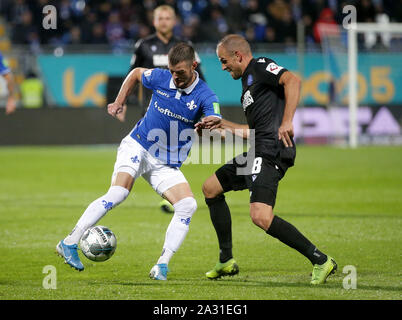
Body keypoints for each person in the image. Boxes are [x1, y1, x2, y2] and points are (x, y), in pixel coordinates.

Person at [56, 42, 221, 281]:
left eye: (181, 73)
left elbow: (215, 115)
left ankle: (161, 265)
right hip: (138, 145)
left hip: (165, 164)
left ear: (194, 66)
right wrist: (119, 100)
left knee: (187, 206)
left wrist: (210, 123)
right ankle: (69, 242)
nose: (175, 78)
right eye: (173, 72)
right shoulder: (162, 77)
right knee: (119, 193)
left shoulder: (206, 95)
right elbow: (135, 74)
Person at [197, 34, 337, 285]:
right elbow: (252, 134)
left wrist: (287, 121)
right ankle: (226, 260)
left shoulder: (260, 65)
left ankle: (321, 260)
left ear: (238, 55)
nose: (223, 66)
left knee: (260, 216)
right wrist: (222, 125)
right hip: (258, 149)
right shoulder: (248, 86)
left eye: (224, 60)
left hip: (271, 150)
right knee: (210, 188)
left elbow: (293, 80)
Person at [126, 4, 206, 214]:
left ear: (174, 21)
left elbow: (200, 79)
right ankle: (163, 191)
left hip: (181, 112)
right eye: (160, 18)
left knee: (173, 151)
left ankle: (170, 195)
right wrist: (124, 102)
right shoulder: (143, 45)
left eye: (168, 18)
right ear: (154, 21)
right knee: (152, 151)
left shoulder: (185, 46)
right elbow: (133, 73)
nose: (164, 21)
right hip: (152, 109)